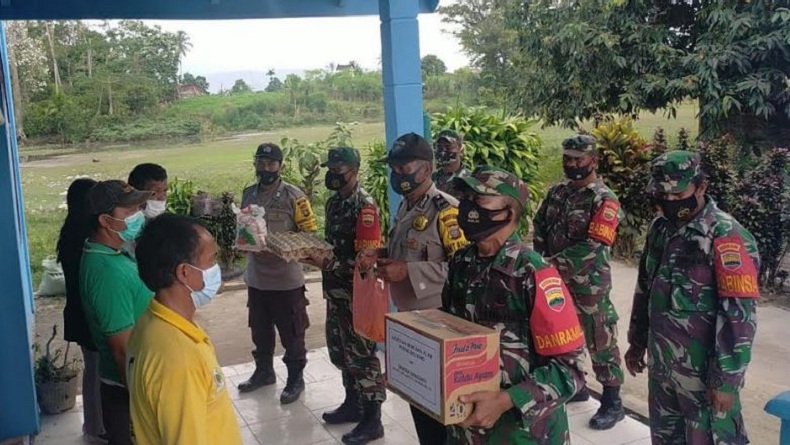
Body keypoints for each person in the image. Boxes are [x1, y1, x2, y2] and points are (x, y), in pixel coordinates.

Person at [443, 166, 587, 444]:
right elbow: (448, 333)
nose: (467, 208)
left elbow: (571, 369)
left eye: (480, 199)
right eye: (466, 199)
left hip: (522, 434)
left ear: (509, 212)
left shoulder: (534, 273)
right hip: (465, 427)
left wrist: (506, 400)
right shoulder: (462, 263)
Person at [626, 151, 759, 445]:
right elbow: (645, 289)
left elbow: (739, 317)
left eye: (678, 193)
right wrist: (636, 342)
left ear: (702, 187)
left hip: (703, 379)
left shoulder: (726, 237)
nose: (670, 202)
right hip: (662, 370)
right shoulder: (660, 229)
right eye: (662, 194)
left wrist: (726, 381)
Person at [359, 132, 467, 444]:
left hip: (440, 324)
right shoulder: (408, 206)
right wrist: (380, 254)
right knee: (420, 402)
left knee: (444, 411)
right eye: (394, 168)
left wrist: (408, 271)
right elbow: (408, 250)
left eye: (406, 168)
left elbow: (463, 271)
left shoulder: (445, 210)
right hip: (411, 322)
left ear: (428, 169)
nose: (398, 175)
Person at [532, 134, 626, 430]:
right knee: (559, 333)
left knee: (600, 336)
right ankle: (575, 385)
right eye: (567, 158)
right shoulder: (557, 192)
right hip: (553, 282)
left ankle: (613, 401)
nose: (572, 164)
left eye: (578, 159)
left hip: (589, 283)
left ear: (593, 161)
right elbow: (539, 225)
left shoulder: (604, 199)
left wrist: (550, 265)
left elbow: (594, 244)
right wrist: (539, 259)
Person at [127, 214, 242, 445]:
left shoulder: (154, 321)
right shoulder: (179, 361)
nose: (215, 268)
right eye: (211, 261)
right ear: (184, 273)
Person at [304, 147, 386, 445]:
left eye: (338, 170)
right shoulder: (334, 203)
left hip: (357, 295)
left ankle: (373, 419)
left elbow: (366, 262)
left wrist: (328, 263)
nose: (332, 174)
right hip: (335, 292)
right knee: (340, 351)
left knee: (362, 356)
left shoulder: (365, 208)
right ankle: (353, 404)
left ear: (354, 170)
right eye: (330, 168)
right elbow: (332, 245)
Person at [237, 142, 318, 405]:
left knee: (292, 334)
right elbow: (246, 229)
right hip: (257, 278)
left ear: (281, 166)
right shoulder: (248, 193)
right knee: (259, 331)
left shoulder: (294, 196)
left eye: (271, 163)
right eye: (260, 162)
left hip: (286, 281)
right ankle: (264, 372)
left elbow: (309, 235)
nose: (265, 168)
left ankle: (296, 378)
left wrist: (282, 248)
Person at [79, 180, 155, 445]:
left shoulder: (114, 252)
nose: (138, 215)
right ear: (105, 220)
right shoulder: (105, 273)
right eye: (129, 211)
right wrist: (141, 402)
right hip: (127, 389)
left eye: (138, 207)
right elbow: (121, 349)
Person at [57, 178, 105, 443]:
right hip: (88, 314)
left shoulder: (71, 230)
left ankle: (93, 425)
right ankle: (97, 428)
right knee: (97, 371)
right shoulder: (86, 238)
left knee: (92, 370)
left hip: (79, 312)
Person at [432, 129, 471, 201]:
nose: (443, 151)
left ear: (461, 150)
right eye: (439, 147)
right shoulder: (431, 179)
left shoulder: (470, 180)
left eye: (448, 147)